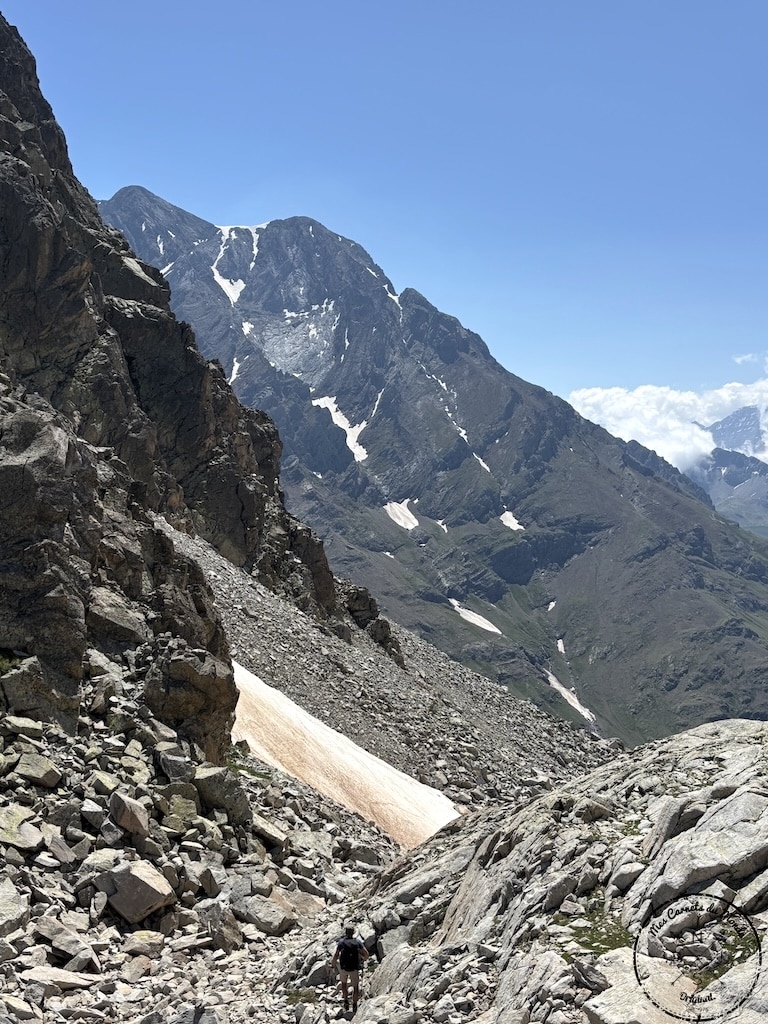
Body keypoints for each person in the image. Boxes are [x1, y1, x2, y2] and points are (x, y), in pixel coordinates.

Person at [330, 924, 369, 1012]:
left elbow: (336, 955)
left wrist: (332, 965)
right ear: (353, 933)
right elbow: (366, 954)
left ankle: (346, 1001)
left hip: (343, 967)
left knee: (344, 984)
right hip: (354, 968)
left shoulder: (341, 942)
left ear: (346, 933)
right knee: (355, 987)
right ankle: (354, 1004)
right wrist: (363, 959)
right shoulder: (357, 942)